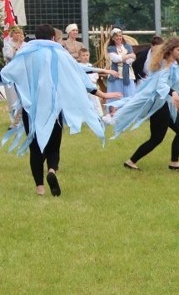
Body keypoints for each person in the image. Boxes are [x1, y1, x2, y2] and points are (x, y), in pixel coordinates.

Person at [1, 24, 120, 196]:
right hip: (54, 108)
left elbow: (6, 73)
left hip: (31, 109)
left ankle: (39, 188)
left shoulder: (25, 54)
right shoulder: (60, 54)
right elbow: (78, 73)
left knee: (35, 148)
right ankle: (51, 171)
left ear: (36, 37)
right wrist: (100, 92)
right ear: (53, 38)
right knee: (54, 146)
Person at [113, 37, 179, 171]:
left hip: (167, 106)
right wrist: (173, 93)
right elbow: (161, 85)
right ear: (171, 50)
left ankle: (174, 162)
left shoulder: (172, 64)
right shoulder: (165, 65)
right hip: (160, 106)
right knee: (156, 138)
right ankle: (131, 161)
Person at [2, 25, 25, 126]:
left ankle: (23, 119)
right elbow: (9, 56)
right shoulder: (8, 45)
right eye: (16, 33)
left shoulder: (25, 44)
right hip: (11, 74)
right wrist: (16, 47)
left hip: (23, 73)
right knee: (12, 97)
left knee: (23, 97)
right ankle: (14, 121)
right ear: (12, 34)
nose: (18, 35)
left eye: (19, 33)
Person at [106, 28, 137, 101]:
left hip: (127, 74)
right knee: (117, 97)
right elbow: (115, 59)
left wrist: (123, 59)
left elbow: (133, 58)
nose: (118, 38)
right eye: (116, 36)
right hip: (116, 74)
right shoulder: (111, 48)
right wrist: (128, 56)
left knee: (129, 96)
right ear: (113, 38)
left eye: (120, 36)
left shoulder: (127, 46)